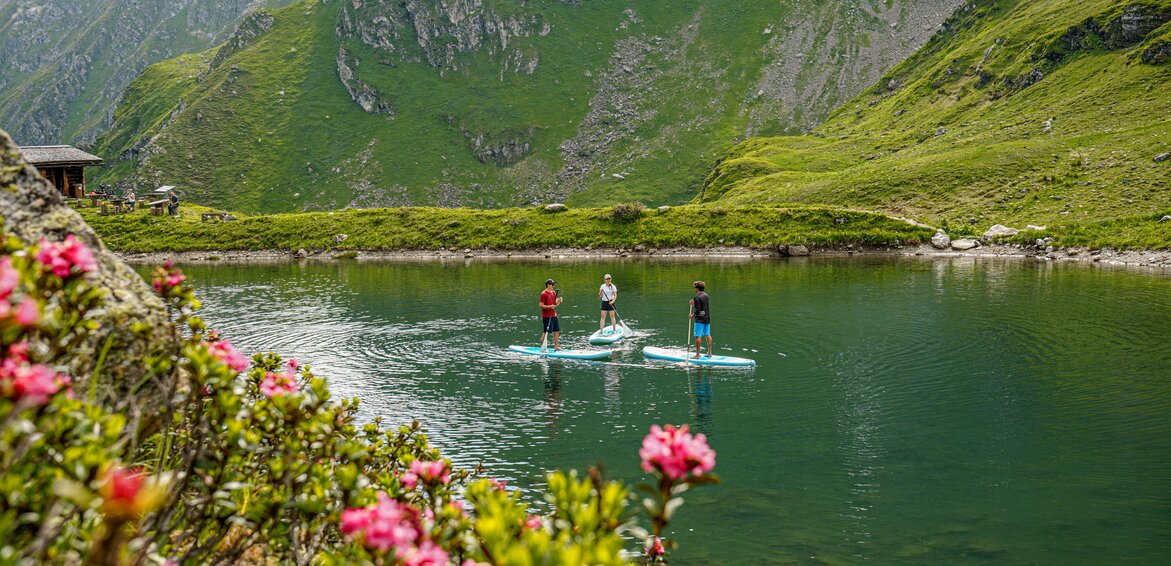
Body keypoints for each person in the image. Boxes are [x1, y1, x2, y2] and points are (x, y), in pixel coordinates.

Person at [539, 278, 563, 351]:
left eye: (554, 284)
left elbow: (554, 305)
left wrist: (559, 301)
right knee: (546, 332)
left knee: (556, 331)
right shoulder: (544, 294)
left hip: (554, 315)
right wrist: (550, 306)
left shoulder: (553, 293)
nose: (553, 285)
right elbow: (540, 305)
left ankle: (556, 346)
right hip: (547, 316)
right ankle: (543, 347)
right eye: (552, 284)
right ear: (548, 285)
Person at [689, 280, 711, 358]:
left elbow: (698, 310)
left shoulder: (697, 297)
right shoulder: (706, 295)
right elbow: (702, 306)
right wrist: (694, 303)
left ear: (697, 288)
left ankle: (697, 355)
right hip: (707, 318)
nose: (695, 289)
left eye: (695, 288)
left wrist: (692, 315)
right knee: (707, 334)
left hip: (700, 320)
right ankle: (709, 353)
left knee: (698, 336)